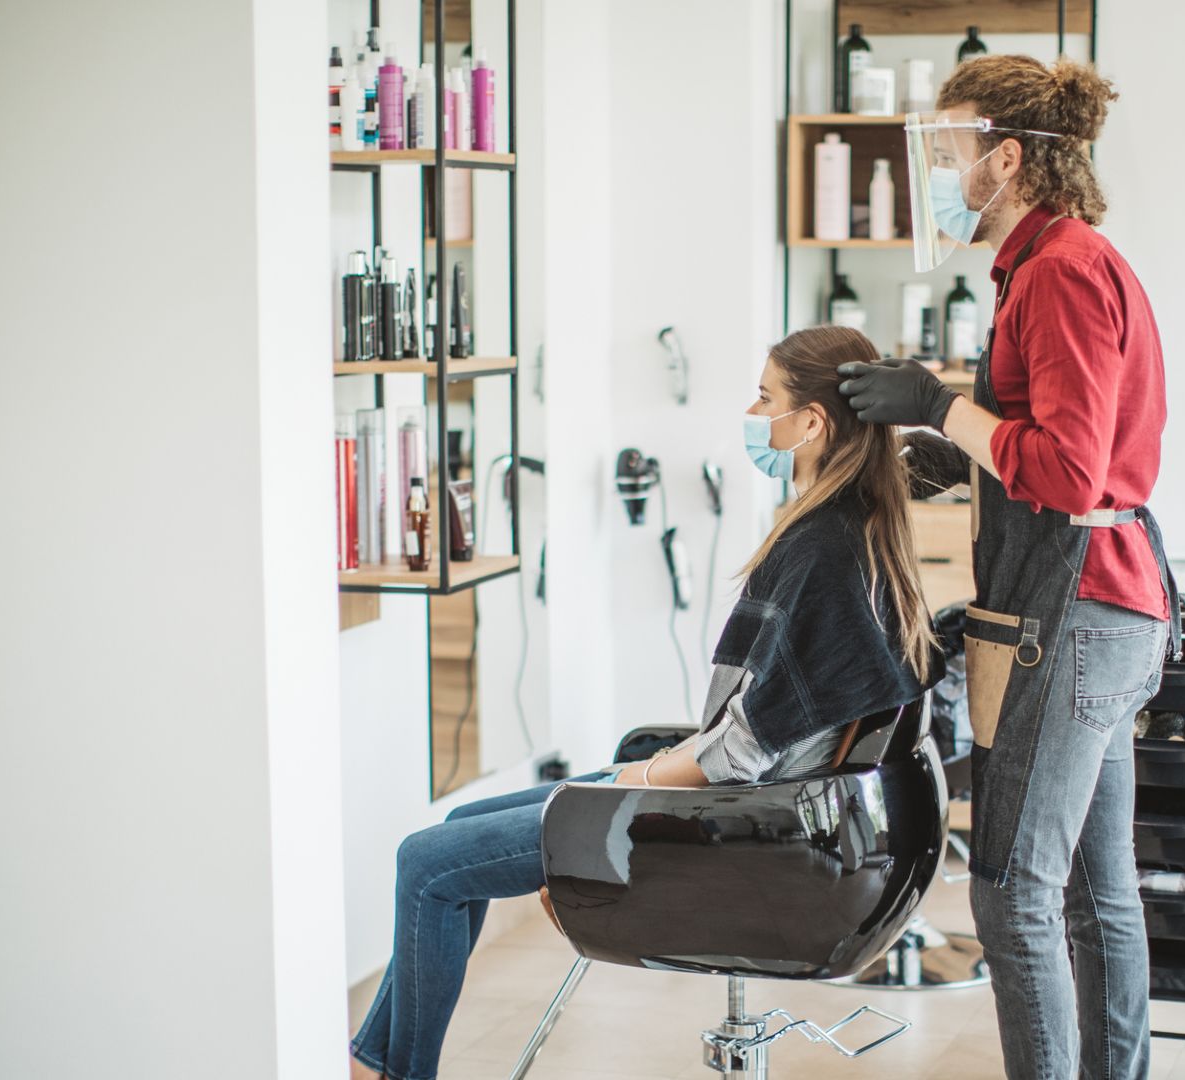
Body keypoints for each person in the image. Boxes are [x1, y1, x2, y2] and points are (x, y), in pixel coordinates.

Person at [349, 325, 940, 1080]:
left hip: (736, 819)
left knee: (426, 862)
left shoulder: (820, 547)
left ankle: (393, 1072)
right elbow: (753, 729)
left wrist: (641, 780)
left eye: (765, 397)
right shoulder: (850, 519)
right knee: (462, 828)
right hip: (749, 799)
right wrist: (653, 766)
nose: (752, 412)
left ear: (814, 424)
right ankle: (371, 1063)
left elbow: (741, 753)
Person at [837, 55, 1183, 1080]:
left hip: (1076, 615)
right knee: (1094, 890)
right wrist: (931, 454)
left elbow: (1072, 474)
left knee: (1012, 890)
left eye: (949, 154)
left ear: (1007, 158)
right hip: (1108, 610)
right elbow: (1035, 442)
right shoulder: (1049, 263)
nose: (941, 176)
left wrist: (942, 404)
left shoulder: (1062, 272)